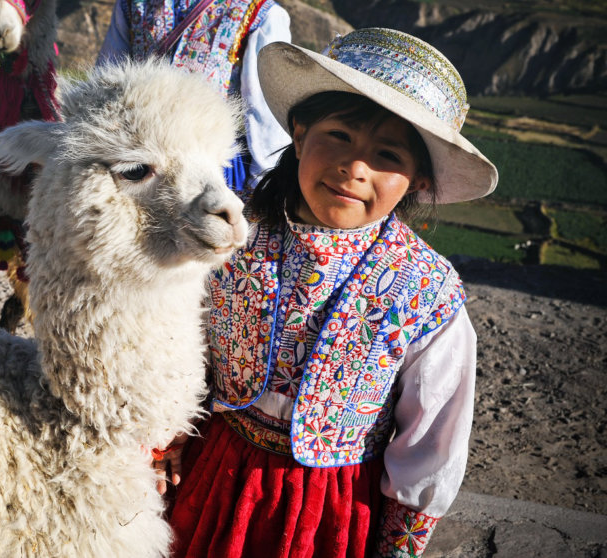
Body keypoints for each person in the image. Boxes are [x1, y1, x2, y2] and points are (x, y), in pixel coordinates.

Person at [155, 28, 499, 557]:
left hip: (330, 510)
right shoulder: (232, 233)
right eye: (339, 135)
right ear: (299, 131)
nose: (355, 168)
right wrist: (165, 438)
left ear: (419, 183)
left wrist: (398, 545)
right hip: (212, 471)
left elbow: (433, 440)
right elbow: (176, 342)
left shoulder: (425, 291)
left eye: (387, 155)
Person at [97, 0, 292, 190]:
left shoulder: (259, 13)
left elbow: (264, 109)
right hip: (142, 162)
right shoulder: (132, 6)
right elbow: (108, 85)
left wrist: (266, 180)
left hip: (212, 163)